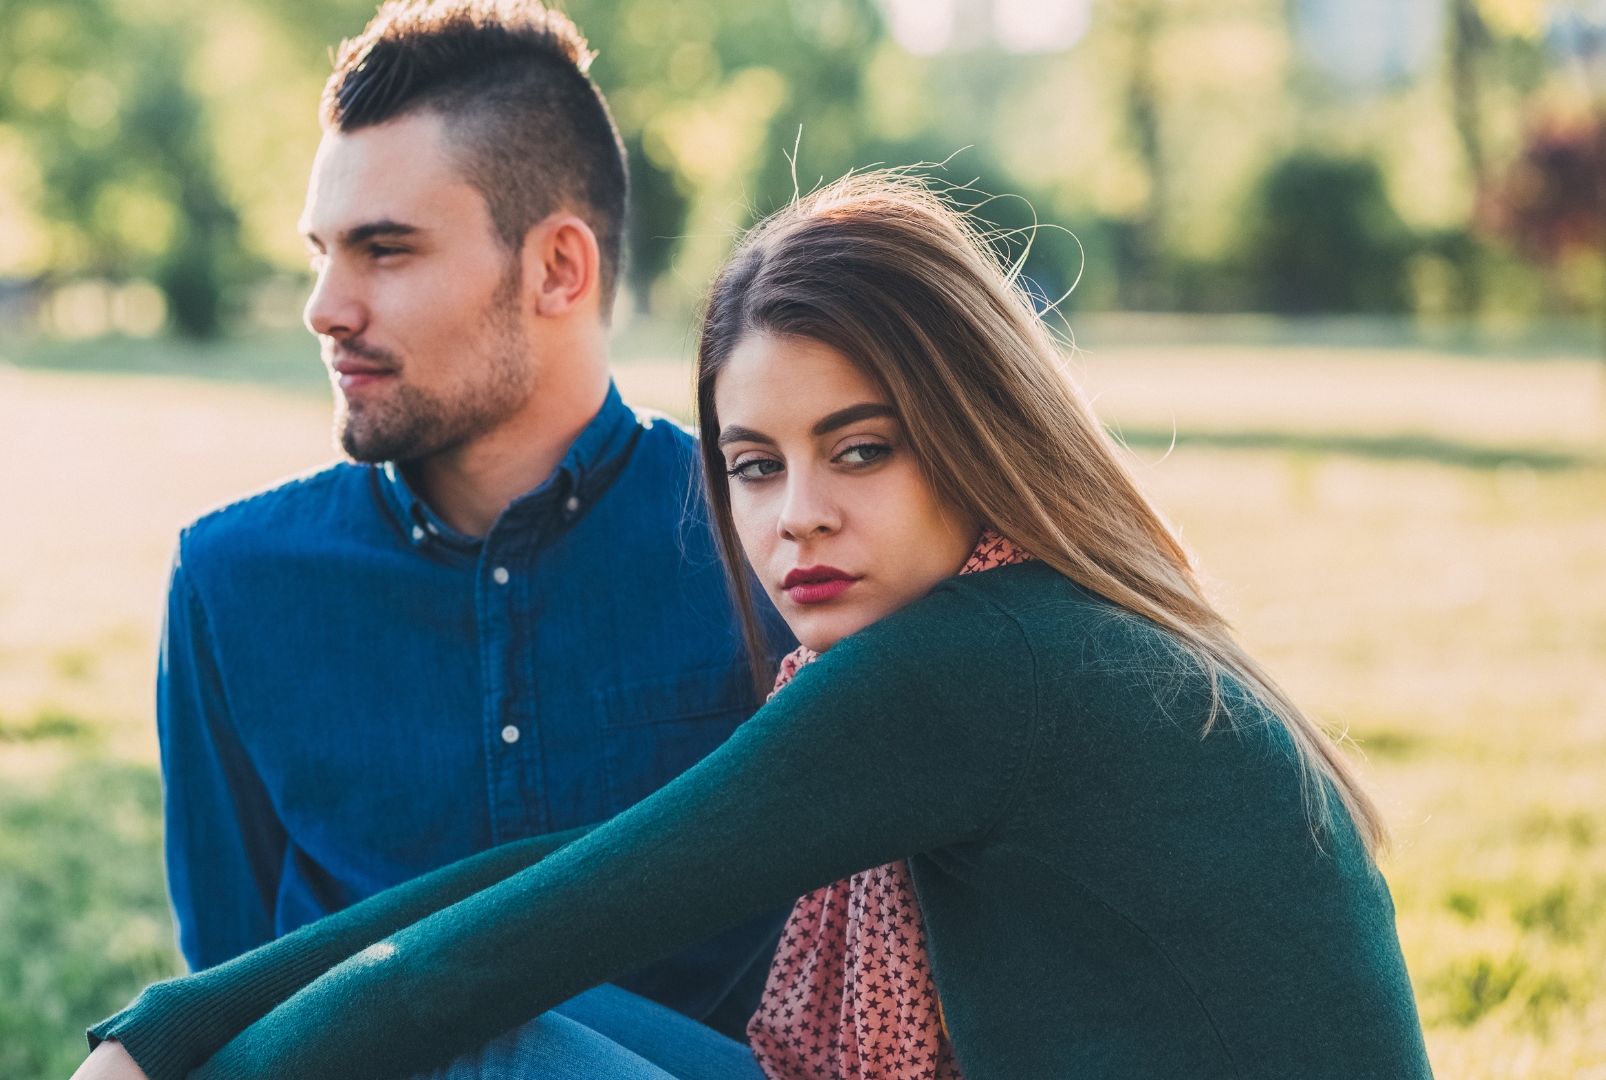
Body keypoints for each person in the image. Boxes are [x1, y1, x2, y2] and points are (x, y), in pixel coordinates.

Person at [74, 176, 1435, 1080]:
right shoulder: (1037, 621)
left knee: (469, 1032)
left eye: (862, 451)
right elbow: (575, 871)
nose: (797, 520)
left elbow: (489, 962)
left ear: (975, 436)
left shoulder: (970, 671)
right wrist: (169, 1027)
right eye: (755, 464)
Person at [148, 0, 791, 1043]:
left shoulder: (768, 544)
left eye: (385, 250)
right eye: (323, 251)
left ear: (558, 269)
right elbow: (237, 1000)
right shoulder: (231, 583)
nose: (324, 305)